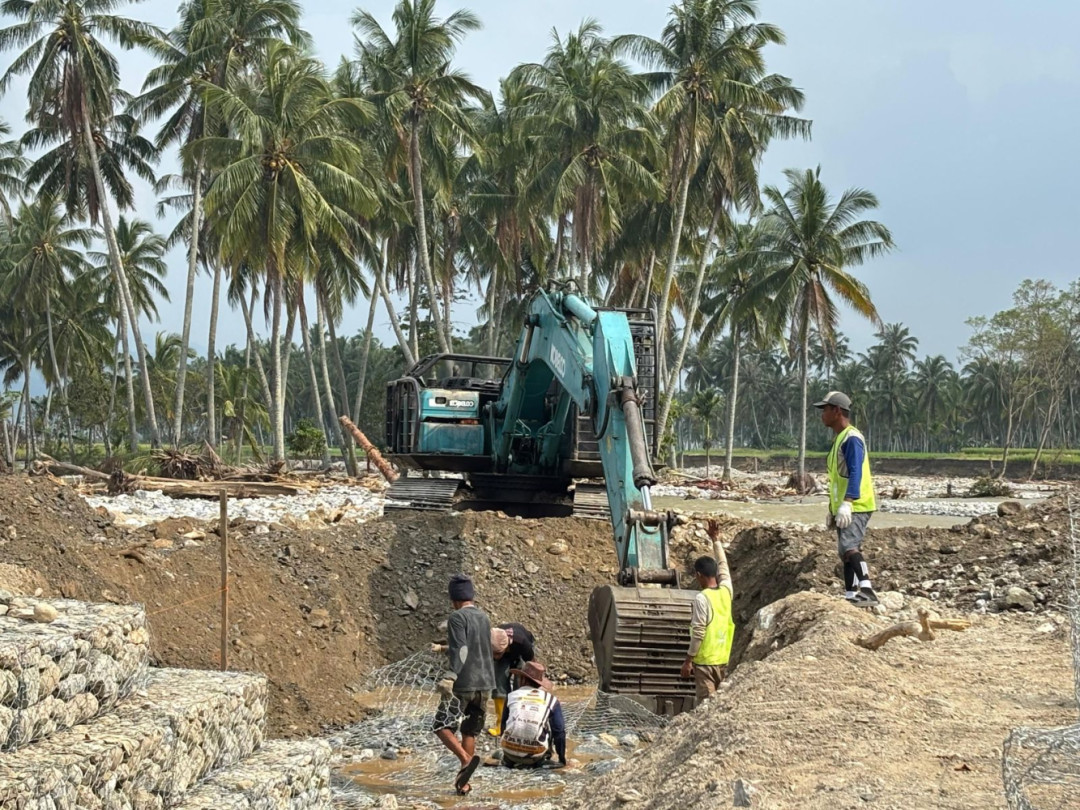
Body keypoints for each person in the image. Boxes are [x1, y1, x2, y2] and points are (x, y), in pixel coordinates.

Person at [815, 390, 880, 608]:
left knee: (850, 547)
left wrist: (848, 502)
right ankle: (851, 595)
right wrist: (833, 508)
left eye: (825, 409)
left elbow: (855, 472)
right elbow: (837, 479)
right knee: (845, 551)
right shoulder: (840, 440)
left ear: (837, 411)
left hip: (857, 505)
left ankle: (868, 590)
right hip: (845, 505)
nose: (822, 414)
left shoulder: (852, 439)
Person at [432, 573, 496, 795]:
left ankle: (466, 760)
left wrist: (451, 675)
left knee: (441, 725)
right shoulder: (484, 617)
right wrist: (443, 649)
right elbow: (476, 648)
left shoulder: (457, 617)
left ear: (454, 598)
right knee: (469, 732)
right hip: (486, 684)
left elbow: (462, 649)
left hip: (465, 683)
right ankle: (464, 783)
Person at [680, 542, 735, 702]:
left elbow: (698, 633)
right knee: (718, 704)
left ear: (698, 575)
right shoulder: (726, 591)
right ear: (715, 573)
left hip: (705, 664)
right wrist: (715, 540)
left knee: (706, 705)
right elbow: (724, 567)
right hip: (723, 660)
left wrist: (688, 661)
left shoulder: (702, 598)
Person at [498, 660, 567, 769]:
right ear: (539, 683)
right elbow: (559, 732)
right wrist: (562, 759)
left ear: (523, 679)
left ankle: (509, 759)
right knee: (547, 723)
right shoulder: (551, 700)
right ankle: (543, 757)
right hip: (535, 757)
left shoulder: (512, 696)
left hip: (509, 753)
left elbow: (503, 725)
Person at [489, 622, 535, 736]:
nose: (495, 657)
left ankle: (518, 723)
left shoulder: (522, 643)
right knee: (498, 684)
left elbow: (532, 664)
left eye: (497, 654)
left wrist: (532, 682)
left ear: (506, 647)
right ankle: (500, 725)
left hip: (519, 652)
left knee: (520, 686)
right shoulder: (491, 638)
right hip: (505, 652)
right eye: (493, 654)